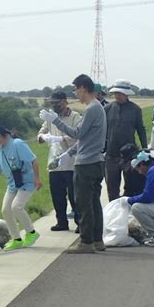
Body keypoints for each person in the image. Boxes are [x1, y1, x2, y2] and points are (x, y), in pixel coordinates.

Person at [39, 74, 106, 253]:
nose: (76, 94)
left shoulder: (92, 108)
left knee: (83, 203)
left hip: (86, 164)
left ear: (83, 88)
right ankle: (97, 240)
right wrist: (69, 153)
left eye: (76, 90)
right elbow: (86, 138)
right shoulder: (97, 108)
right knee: (93, 202)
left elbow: (77, 133)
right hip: (95, 161)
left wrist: (55, 121)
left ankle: (86, 242)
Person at [0, 125, 42, 251]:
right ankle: (16, 239)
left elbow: (33, 161)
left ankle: (31, 233)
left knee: (16, 207)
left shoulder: (17, 144)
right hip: (12, 184)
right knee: (6, 209)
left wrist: (37, 179)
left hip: (27, 182)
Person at [38, 91, 81, 232]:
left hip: (71, 162)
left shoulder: (75, 117)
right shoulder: (50, 118)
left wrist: (61, 139)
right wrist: (44, 137)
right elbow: (41, 132)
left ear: (65, 101)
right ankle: (61, 222)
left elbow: (78, 138)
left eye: (57, 103)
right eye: (52, 103)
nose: (55, 105)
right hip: (55, 163)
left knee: (74, 196)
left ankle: (80, 222)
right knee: (57, 196)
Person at [104, 79, 148, 202]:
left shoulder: (135, 109)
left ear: (127, 94)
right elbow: (102, 131)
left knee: (131, 187)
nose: (117, 95)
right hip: (111, 154)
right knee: (112, 189)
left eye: (120, 93)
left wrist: (145, 148)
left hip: (129, 155)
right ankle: (113, 215)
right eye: (116, 93)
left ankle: (129, 214)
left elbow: (141, 129)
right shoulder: (108, 108)